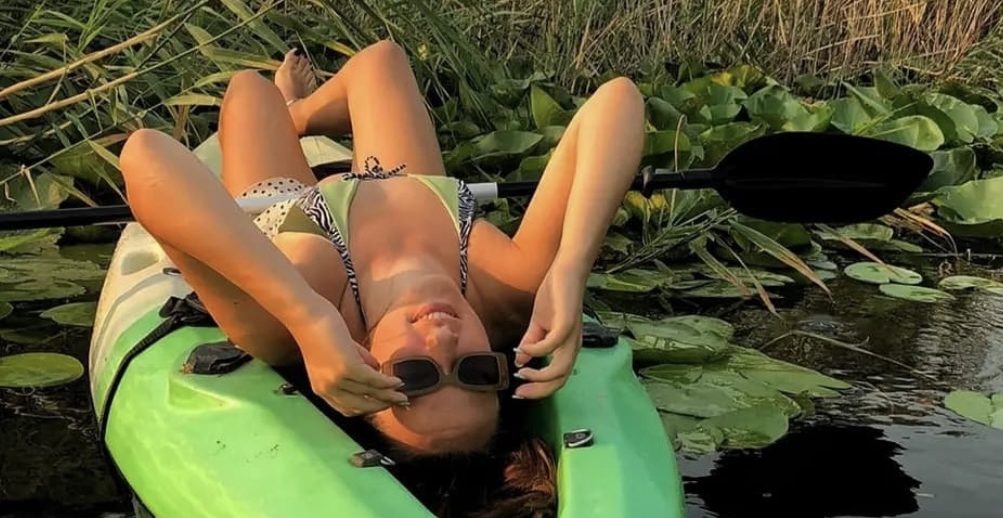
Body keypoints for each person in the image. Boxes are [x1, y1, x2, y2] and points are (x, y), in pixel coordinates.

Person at [119, 40, 645, 467]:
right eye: (477, 371)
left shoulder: (288, 323)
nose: (444, 339)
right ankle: (302, 115)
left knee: (249, 91)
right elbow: (618, 99)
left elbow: (145, 156)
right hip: (399, 179)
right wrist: (572, 264)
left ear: (364, 369)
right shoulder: (510, 292)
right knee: (382, 60)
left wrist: (305, 316)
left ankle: (284, 107)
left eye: (414, 376)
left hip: (281, 203)